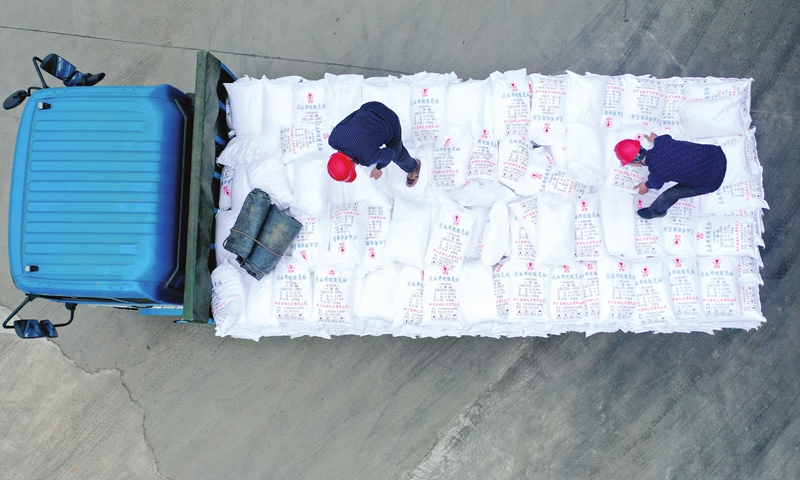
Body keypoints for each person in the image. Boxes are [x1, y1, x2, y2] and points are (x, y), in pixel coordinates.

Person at [614, 133, 727, 219]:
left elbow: (656, 184)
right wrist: (654, 139)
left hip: (711, 181)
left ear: (636, 163)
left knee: (668, 196)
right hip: (716, 155)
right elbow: (661, 138)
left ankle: (655, 212)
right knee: (685, 148)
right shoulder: (662, 142)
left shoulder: (656, 172)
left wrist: (646, 184)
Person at [327, 101, 421, 187]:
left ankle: (413, 167)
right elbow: (349, 119)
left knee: (397, 154)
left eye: (353, 168)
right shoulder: (333, 139)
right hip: (370, 106)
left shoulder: (366, 159)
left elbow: (389, 153)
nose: (355, 167)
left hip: (391, 121)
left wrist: (378, 168)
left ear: (352, 162)